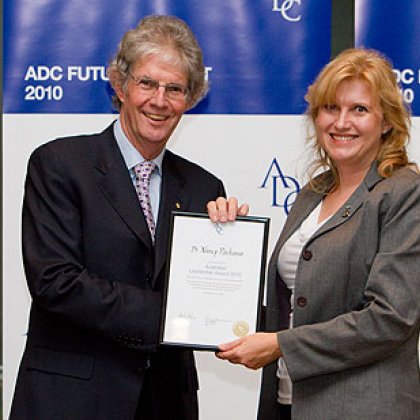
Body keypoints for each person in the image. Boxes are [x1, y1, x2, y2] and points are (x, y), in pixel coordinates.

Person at [10, 15, 226, 420]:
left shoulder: (203, 187)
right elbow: (55, 282)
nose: (159, 100)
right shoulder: (59, 164)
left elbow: (217, 300)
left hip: (165, 403)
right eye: (147, 83)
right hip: (71, 401)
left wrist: (227, 242)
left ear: (190, 99)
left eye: (175, 88)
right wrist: (172, 314)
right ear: (120, 84)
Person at [207, 48, 420, 419]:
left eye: (359, 109)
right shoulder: (314, 192)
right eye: (330, 108)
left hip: (365, 408)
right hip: (290, 401)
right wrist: (221, 241)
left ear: (386, 121)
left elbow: (391, 317)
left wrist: (280, 345)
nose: (341, 122)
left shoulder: (403, 192)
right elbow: (296, 302)